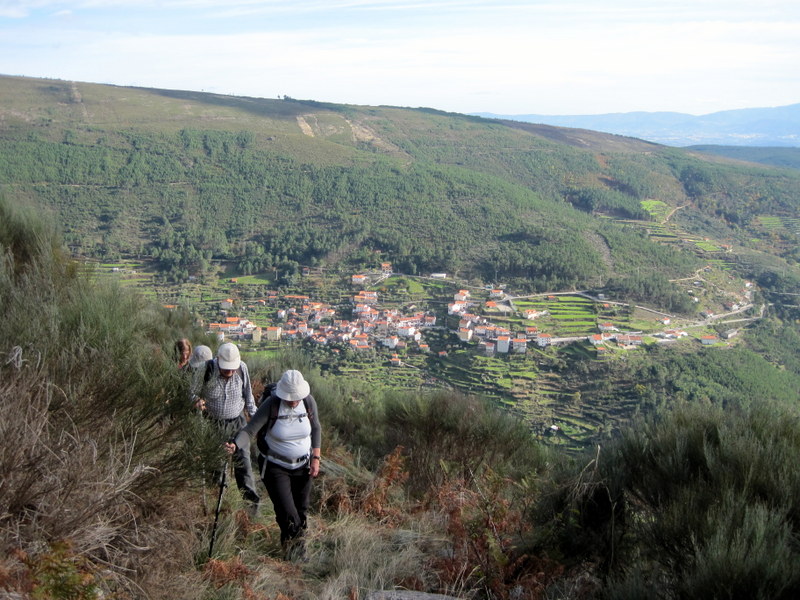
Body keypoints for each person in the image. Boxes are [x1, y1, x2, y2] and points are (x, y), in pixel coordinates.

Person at [226, 369, 321, 557]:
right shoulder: (272, 404)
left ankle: (291, 550)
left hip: (303, 466)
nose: (294, 401)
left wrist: (316, 458)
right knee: (288, 513)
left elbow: (316, 427)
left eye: (296, 397)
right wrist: (236, 445)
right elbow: (250, 430)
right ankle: (298, 556)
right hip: (276, 467)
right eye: (290, 397)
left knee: (301, 511)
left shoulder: (308, 402)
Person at [192, 342, 260, 507]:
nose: (230, 372)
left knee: (244, 465)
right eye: (226, 369)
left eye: (232, 369)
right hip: (213, 423)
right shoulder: (206, 369)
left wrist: (258, 421)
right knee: (217, 465)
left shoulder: (242, 369)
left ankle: (251, 509)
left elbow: (249, 398)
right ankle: (220, 503)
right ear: (217, 360)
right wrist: (195, 400)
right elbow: (192, 391)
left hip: (238, 423)